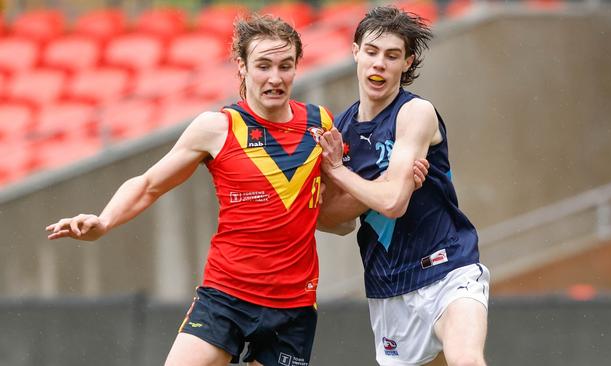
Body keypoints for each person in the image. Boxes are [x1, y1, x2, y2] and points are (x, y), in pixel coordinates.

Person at [46, 14, 332, 366]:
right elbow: (149, 184)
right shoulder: (217, 128)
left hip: (293, 308)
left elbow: (338, 209)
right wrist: (103, 222)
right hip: (226, 296)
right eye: (263, 66)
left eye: (285, 66)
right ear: (241, 67)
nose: (275, 78)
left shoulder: (321, 125)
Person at [318, 6, 490, 366]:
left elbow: (394, 203)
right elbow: (334, 221)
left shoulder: (415, 113)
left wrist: (339, 172)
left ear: (407, 63)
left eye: (392, 55)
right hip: (389, 286)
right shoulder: (342, 131)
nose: (380, 63)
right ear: (355, 53)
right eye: (372, 52)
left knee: (466, 359)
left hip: (448, 265)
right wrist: (378, 188)